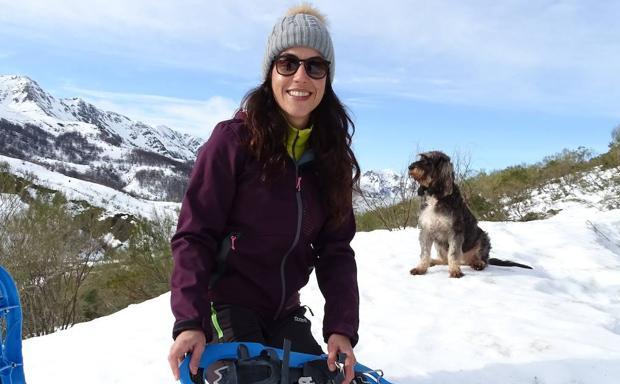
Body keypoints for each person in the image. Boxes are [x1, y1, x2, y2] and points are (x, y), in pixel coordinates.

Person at [168, 4, 361, 383]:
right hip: (226, 306)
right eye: (288, 63)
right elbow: (195, 235)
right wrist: (190, 320)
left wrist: (341, 327)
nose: (300, 76)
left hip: (285, 311)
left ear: (327, 77)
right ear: (270, 73)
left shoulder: (330, 155)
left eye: (315, 66)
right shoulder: (233, 142)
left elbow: (336, 250)